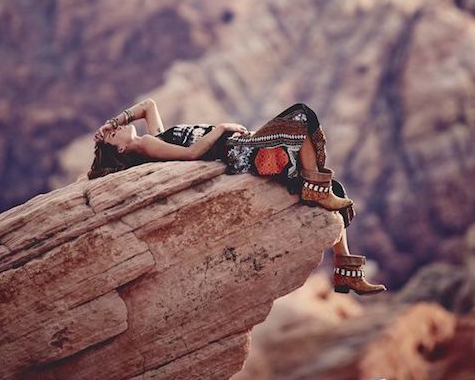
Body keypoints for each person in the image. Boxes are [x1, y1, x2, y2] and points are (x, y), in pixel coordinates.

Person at [88, 97, 386, 296]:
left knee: (335, 188)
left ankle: (346, 270)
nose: (120, 128)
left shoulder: (153, 139)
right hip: (239, 151)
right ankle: (314, 189)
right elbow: (192, 153)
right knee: (302, 116)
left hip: (240, 147)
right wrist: (221, 128)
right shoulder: (149, 145)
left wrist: (112, 123)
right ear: (122, 151)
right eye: (115, 135)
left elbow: (148, 105)